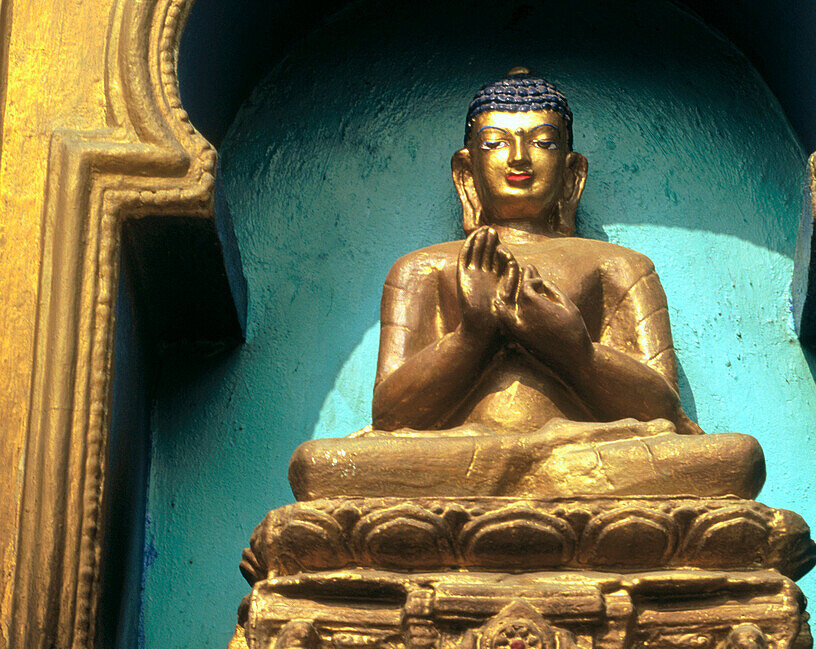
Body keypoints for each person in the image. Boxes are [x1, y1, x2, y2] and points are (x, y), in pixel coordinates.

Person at [289, 69, 765, 500]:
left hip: (583, 452)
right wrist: (471, 337)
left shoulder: (618, 265)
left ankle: (528, 483)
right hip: (465, 453)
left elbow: (663, 408)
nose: (519, 159)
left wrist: (575, 349)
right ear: (466, 171)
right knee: (319, 465)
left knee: (736, 459)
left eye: (543, 142)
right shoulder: (424, 268)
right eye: (495, 143)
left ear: (573, 172)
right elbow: (392, 414)